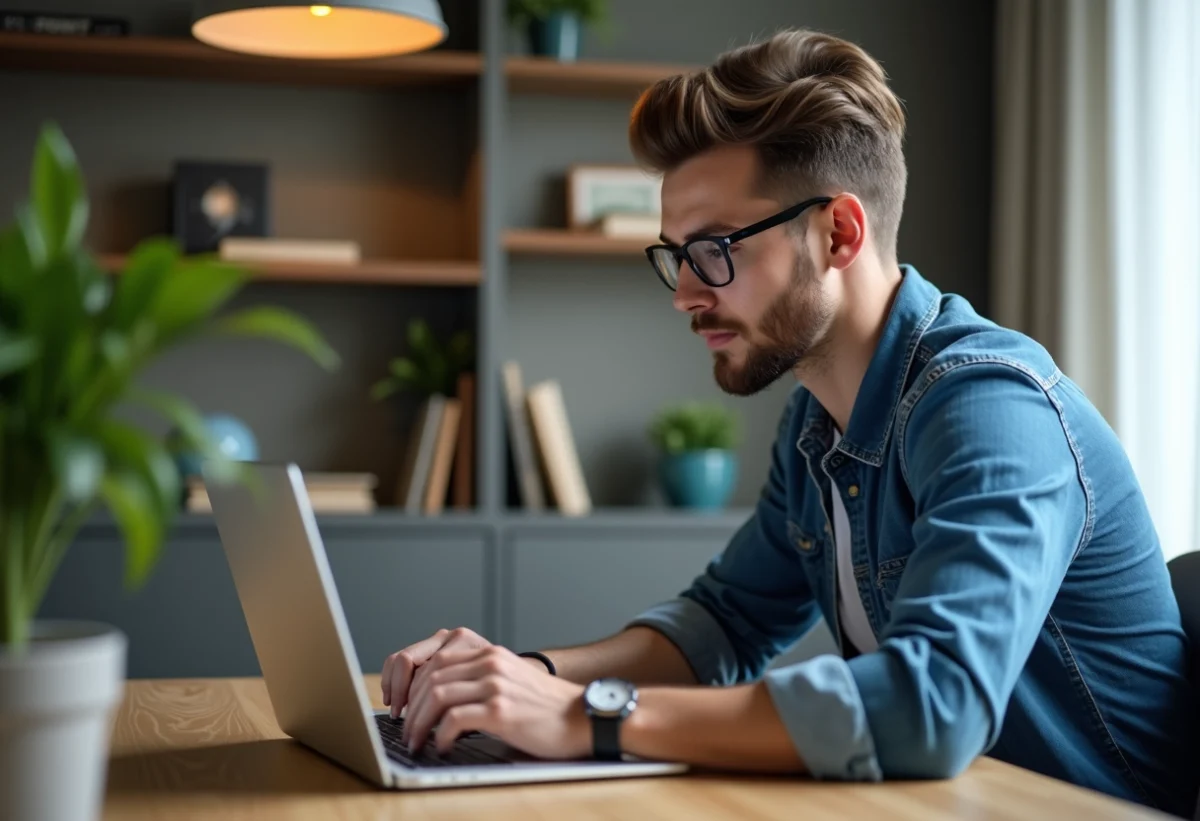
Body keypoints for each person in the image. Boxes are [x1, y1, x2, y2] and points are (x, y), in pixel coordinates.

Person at [380, 28, 1200, 816]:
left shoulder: (991, 406)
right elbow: (724, 623)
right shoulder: (817, 420)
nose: (684, 293)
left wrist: (585, 715)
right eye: (676, 255)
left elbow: (933, 704)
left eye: (715, 249)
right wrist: (526, 676)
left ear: (838, 232)